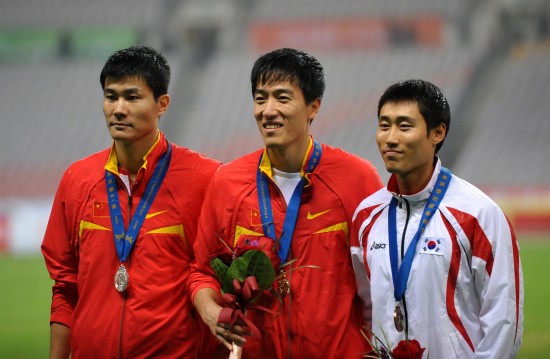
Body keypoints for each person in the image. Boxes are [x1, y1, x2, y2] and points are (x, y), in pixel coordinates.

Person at [188, 47, 383, 359]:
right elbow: (201, 272)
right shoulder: (228, 182)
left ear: (313, 107)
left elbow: (383, 277)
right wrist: (210, 312)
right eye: (260, 98)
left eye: (282, 97)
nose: (268, 110)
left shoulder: (357, 179)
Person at [41, 45, 221, 358]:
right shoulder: (77, 179)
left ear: (162, 104)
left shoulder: (205, 179)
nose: (119, 108)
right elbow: (66, 287)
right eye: (111, 96)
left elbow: (216, 278)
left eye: (132, 97)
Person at [351, 79, 524, 358]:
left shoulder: (479, 215)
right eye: (384, 125)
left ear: (438, 133)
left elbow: (504, 319)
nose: (391, 138)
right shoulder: (366, 216)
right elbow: (365, 306)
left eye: (404, 126)